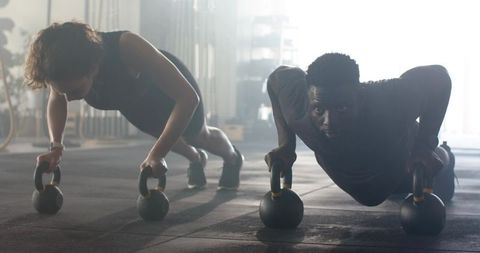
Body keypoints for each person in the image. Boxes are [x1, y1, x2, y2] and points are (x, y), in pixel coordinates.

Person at [24, 21, 243, 190]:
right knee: (165, 138)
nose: (69, 98)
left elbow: (187, 98)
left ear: (92, 68)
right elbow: (57, 99)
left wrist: (157, 155)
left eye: (75, 91)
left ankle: (233, 157)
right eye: (64, 91)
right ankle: (196, 159)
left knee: (197, 136)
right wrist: (56, 148)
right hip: (132, 102)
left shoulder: (128, 46)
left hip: (170, 91)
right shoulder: (62, 66)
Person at [265, 53, 455, 205]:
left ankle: (445, 155)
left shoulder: (390, 101)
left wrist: (425, 145)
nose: (329, 122)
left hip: (402, 166)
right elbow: (276, 78)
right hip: (358, 174)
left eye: (341, 108)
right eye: (319, 110)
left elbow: (439, 77)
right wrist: (286, 144)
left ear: (360, 98)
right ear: (309, 101)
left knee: (433, 172)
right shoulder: (297, 104)